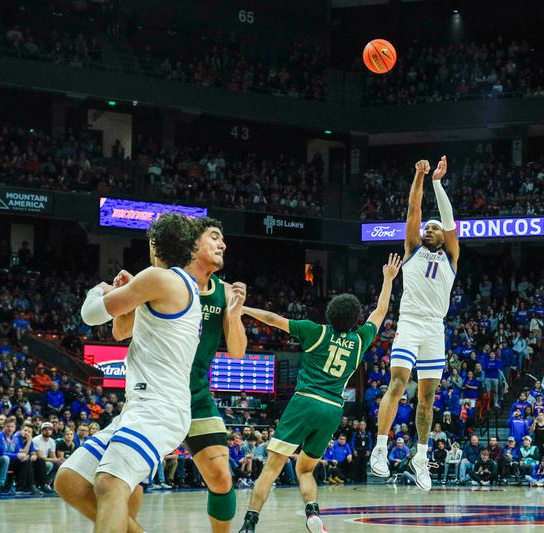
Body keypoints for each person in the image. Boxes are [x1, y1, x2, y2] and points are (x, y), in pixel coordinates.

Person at [54, 213, 203, 533]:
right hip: (141, 407)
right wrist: (129, 292)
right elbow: (122, 331)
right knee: (69, 480)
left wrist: (101, 289)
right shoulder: (168, 285)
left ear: (153, 245)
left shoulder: (160, 278)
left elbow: (91, 315)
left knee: (109, 483)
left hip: (160, 407)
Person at [238, 254, 401, 533]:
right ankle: (313, 514)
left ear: (331, 313)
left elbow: (273, 319)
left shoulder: (315, 332)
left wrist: (244, 308)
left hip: (305, 401)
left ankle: (249, 524)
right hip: (333, 410)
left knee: (271, 468)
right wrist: (388, 279)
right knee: (305, 469)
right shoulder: (360, 339)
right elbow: (380, 312)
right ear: (353, 319)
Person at [108, 217, 247, 533]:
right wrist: (128, 300)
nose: (222, 243)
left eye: (223, 238)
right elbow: (120, 331)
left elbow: (237, 352)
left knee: (222, 478)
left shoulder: (224, 292)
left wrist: (235, 315)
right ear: (193, 244)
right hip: (154, 396)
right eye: (214, 236)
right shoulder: (160, 280)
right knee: (129, 482)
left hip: (195, 396)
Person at [371, 156, 459, 492]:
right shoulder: (412, 249)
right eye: (427, 227)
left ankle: (420, 457)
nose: (429, 229)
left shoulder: (450, 256)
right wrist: (421, 177)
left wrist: (438, 183)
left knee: (427, 397)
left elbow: (449, 222)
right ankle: (380, 449)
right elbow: (413, 210)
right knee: (398, 381)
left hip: (435, 328)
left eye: (434, 228)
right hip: (409, 322)